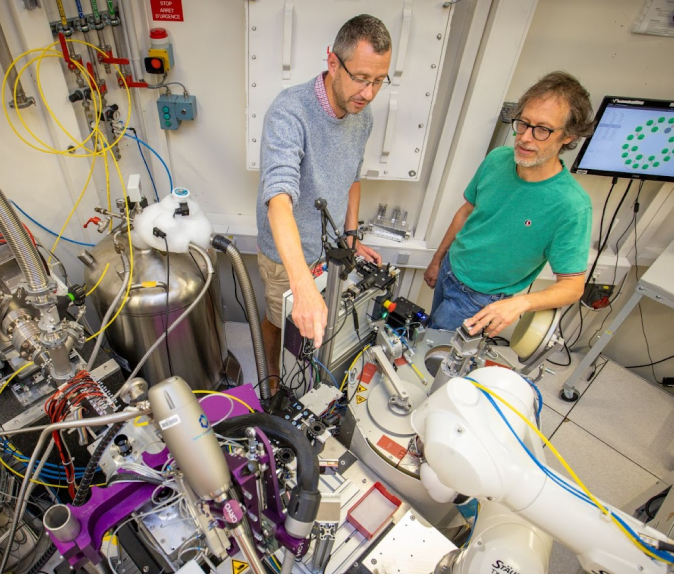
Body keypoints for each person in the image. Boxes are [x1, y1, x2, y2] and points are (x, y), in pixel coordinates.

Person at [255, 14, 390, 389]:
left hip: (327, 246)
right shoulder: (289, 112)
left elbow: (353, 177)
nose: (368, 92)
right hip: (286, 256)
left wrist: (350, 235)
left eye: (379, 81)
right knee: (279, 320)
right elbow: (278, 199)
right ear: (333, 63)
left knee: (318, 328)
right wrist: (301, 287)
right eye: (361, 78)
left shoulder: (363, 117)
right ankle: (273, 380)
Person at [425, 71, 595, 338]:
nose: (526, 137)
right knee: (429, 337)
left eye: (542, 129)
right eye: (524, 123)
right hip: (451, 269)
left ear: (569, 136)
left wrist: (520, 303)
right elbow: (466, 212)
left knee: (436, 357)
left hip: (481, 300)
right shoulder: (498, 159)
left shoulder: (571, 205)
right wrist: (437, 260)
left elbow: (573, 285)